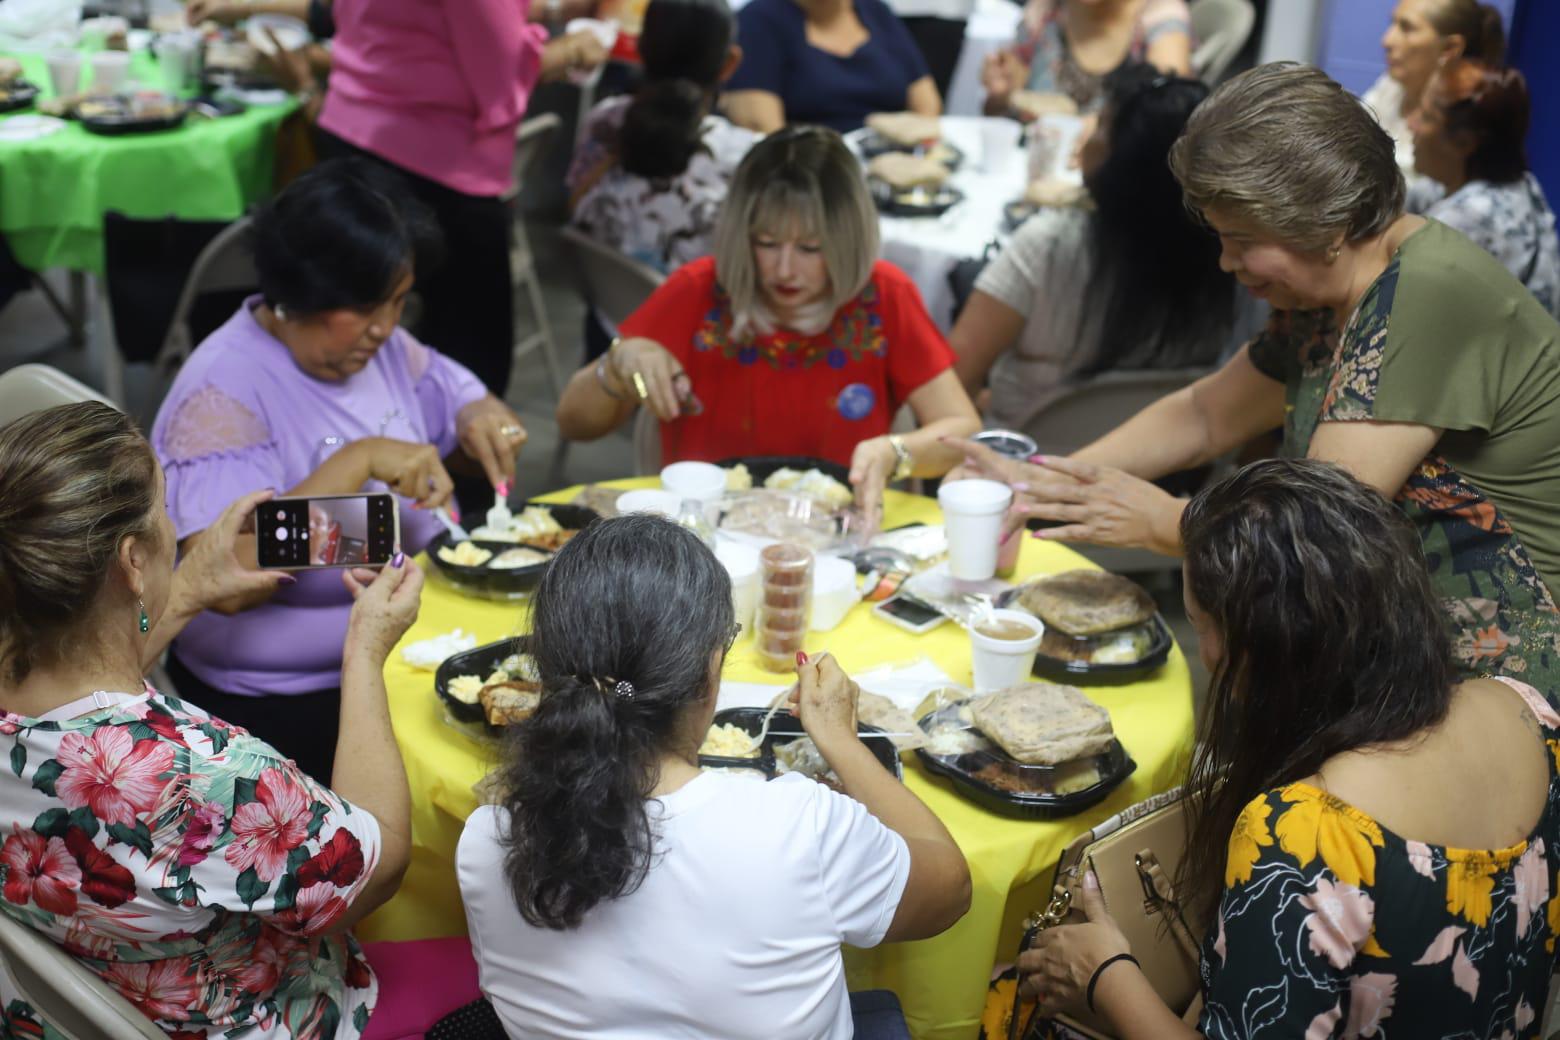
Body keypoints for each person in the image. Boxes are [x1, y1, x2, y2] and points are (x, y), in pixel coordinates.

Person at [949, 62, 1560, 700]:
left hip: (1500, 677)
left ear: (1327, 222)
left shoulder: (1425, 295)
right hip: (1399, 633)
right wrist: (1043, 481)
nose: (1225, 261)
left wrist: (1171, 523)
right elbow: (1206, 415)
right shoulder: (1331, 296)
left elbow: (1317, 534)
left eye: (1242, 240)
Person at [1017, 458, 1560, 1038]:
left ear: (1260, 652)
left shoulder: (1305, 833)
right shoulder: (1527, 709)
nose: (1202, 651)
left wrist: (1105, 975)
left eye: (1200, 626)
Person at [0, 401, 426, 1037]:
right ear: (132, 561)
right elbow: (378, 866)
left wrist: (190, 587)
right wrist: (364, 651)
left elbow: (72, 693)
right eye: (165, 511)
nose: (175, 528)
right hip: (265, 1018)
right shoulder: (205, 773)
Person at [456, 515, 971, 1038]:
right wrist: (840, 738)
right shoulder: (795, 829)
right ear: (709, 670)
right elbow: (949, 889)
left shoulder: (484, 841)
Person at [150, 159, 528, 784]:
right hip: (284, 708)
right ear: (294, 295)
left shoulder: (376, 348)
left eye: (399, 301)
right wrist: (358, 461)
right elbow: (231, 576)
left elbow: (447, 382)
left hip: (411, 644)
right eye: (361, 308)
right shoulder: (221, 394)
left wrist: (479, 410)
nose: (384, 328)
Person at [557, 126, 979, 526]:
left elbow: (962, 428)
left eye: (810, 248)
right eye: (767, 243)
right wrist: (617, 364)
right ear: (742, 236)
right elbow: (573, 423)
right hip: (703, 545)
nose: (784, 269)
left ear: (849, 240)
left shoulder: (883, 297)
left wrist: (898, 452)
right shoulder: (699, 292)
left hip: (839, 541)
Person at [316, 0, 608, 399]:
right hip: (434, 164)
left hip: (352, 128)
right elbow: (501, 71)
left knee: (346, 345)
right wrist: (574, 48)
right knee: (467, 372)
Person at [951, 66, 1232, 430]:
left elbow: (953, 379)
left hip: (1028, 463)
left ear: (1121, 162)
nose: (1085, 141)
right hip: (1162, 469)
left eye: (1100, 126)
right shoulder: (1227, 259)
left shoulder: (1050, 245)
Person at [567, 0, 756, 277]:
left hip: (606, 311)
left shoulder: (602, 122)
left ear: (640, 48)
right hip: (693, 319)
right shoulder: (743, 157)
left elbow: (575, 209)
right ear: (730, 63)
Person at [1407, 60, 1560, 317]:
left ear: (1465, 142)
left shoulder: (1467, 221)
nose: (1411, 123)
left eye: (1426, 117)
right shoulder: (1521, 182)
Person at [719, 0, 940, 135]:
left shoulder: (877, 12)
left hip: (891, 165)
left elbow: (927, 105)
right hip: (815, 178)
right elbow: (763, 130)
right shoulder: (757, 21)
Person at [1362, 0, 1505, 176]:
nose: (1387, 41)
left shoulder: (1461, 122)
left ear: (1449, 48)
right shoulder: (1391, 85)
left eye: (1407, 28)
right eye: (1393, 23)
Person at [981, 0, 1191, 119]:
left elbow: (1165, 122)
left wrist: (1103, 129)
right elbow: (998, 114)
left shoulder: (1161, 22)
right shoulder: (1044, 12)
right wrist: (1003, 94)